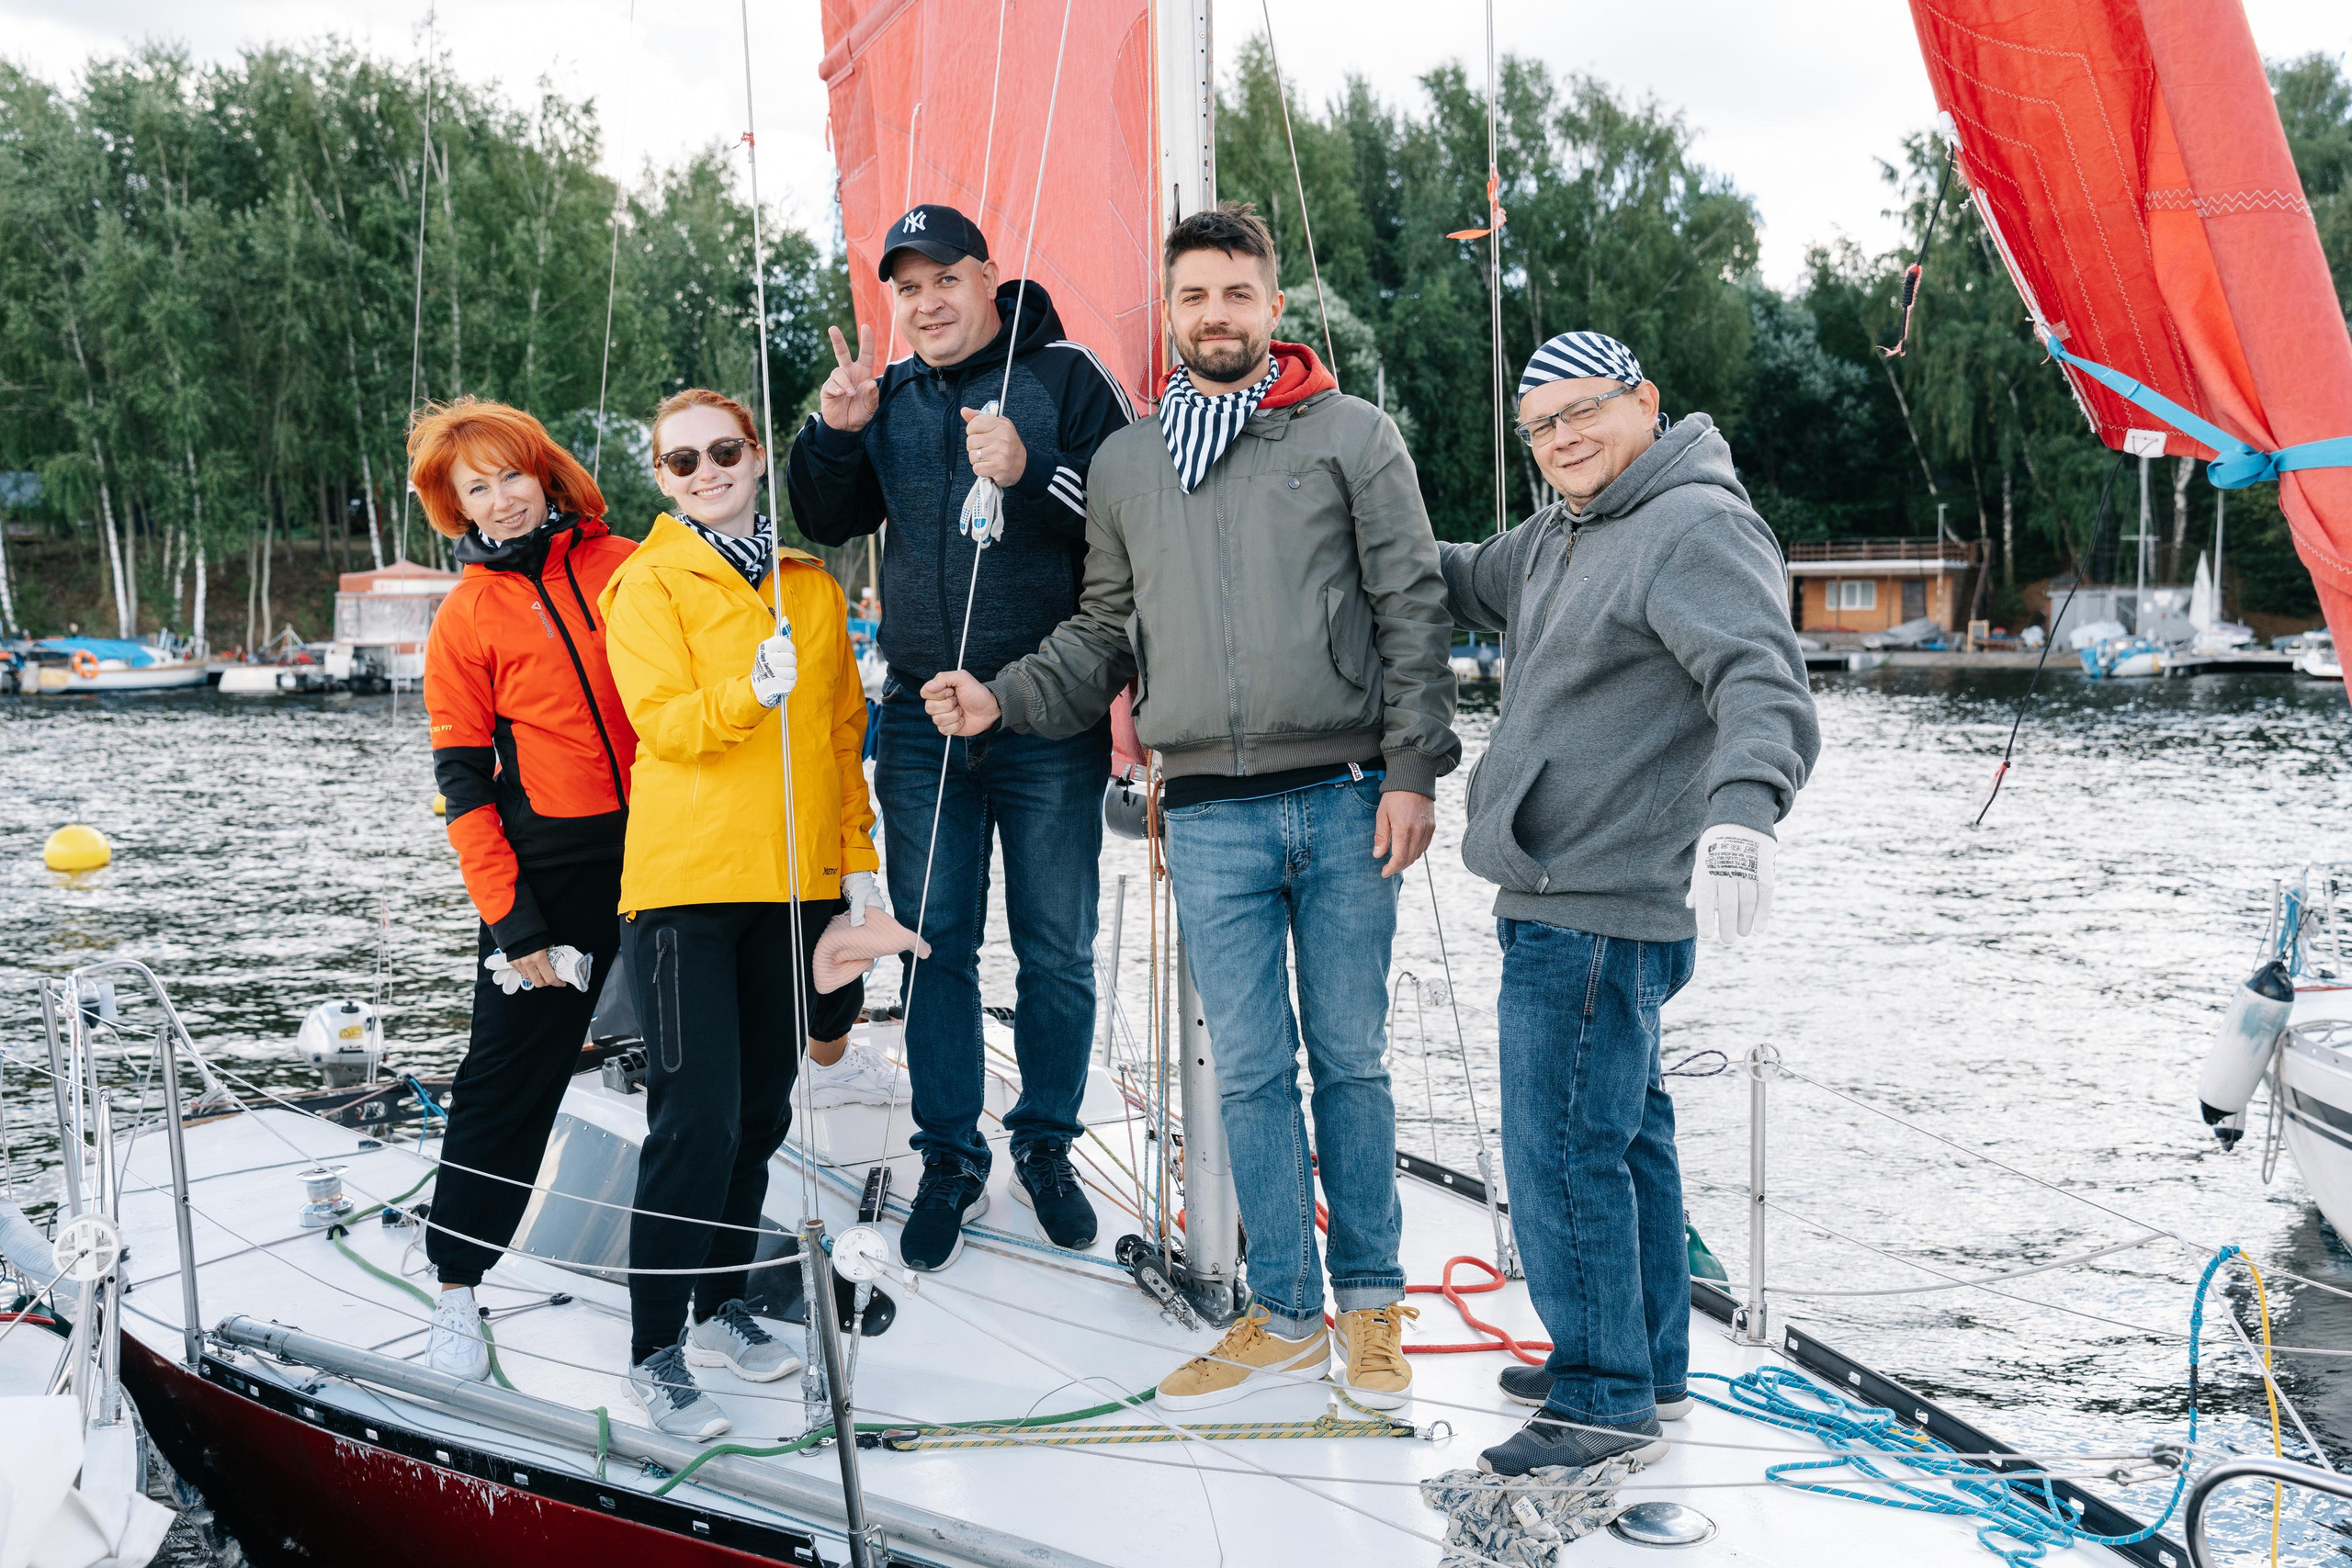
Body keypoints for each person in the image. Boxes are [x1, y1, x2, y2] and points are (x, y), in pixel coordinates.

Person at [921, 203, 1459, 1411]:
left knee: (1354, 1063)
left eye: (1237, 293)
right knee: (1254, 1071)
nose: (1216, 314)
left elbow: (1414, 607)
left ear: (1274, 308)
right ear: (1170, 316)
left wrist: (1416, 768)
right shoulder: (1127, 462)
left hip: (1345, 798)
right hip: (1205, 814)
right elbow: (1104, 629)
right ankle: (1284, 1312)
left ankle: (1371, 1308)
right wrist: (999, 697)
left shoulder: (1352, 437)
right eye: (1194, 296)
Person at [1434, 332, 1818, 1477]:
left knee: (1561, 1153)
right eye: (1540, 427)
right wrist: (1344, 511)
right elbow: (1459, 576)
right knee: (1627, 1136)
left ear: (1643, 401)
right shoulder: (1565, 530)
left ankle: (1600, 1406)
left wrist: (1745, 813)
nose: (1561, 442)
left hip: (1598, 903)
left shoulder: (1691, 524)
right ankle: (1644, 1363)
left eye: (1582, 415)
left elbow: (1763, 680)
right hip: (1574, 891)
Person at [787, 203, 1134, 1270]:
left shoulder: (1067, 375)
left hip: (1046, 716)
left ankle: (1044, 1147)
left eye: (945, 279)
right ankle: (949, 1155)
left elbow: (1132, 517)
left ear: (988, 277)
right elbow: (824, 518)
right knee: (931, 943)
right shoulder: (887, 394)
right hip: (923, 719)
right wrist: (832, 433)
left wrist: (1032, 469)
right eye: (907, 288)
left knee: (1056, 952)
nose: (926, 303)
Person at [598, 387, 882, 1440]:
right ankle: (652, 1348)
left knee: (763, 1111)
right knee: (696, 1120)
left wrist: (857, 866)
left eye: (723, 451)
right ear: (661, 480)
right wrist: (745, 697)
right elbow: (663, 725)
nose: (706, 470)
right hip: (686, 891)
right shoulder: (646, 584)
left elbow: (841, 734)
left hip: (796, 887)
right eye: (682, 462)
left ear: (756, 455)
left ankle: (720, 1303)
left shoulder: (809, 588)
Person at [411, 398, 638, 1382]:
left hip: (674, 854)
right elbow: (462, 784)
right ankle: (457, 1287)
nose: (501, 500)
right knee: (507, 1085)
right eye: (477, 488)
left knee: (705, 1071)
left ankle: (704, 1291)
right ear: (454, 509)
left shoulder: (628, 566)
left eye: (512, 475)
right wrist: (511, 924)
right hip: (550, 880)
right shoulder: (466, 617)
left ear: (544, 472)